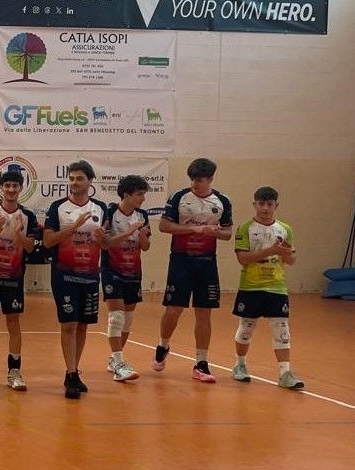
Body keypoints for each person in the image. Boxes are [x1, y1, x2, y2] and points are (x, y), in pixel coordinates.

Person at [155, 158, 233, 382]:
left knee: (204, 312)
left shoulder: (223, 201)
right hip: (181, 260)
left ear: (210, 179)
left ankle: (201, 362)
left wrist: (214, 232)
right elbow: (164, 226)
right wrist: (194, 229)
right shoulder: (179, 197)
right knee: (174, 309)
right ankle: (163, 345)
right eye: (192, 180)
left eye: (199, 180)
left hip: (207, 262)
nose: (194, 184)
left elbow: (227, 233)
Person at [231, 187, 305, 390]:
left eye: (269, 204)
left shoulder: (285, 229)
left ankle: (285, 373)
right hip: (251, 286)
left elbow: (291, 260)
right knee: (246, 328)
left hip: (277, 287)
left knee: (282, 330)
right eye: (261, 204)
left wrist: (285, 252)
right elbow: (243, 258)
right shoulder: (245, 228)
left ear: (276, 205)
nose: (265, 208)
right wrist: (271, 250)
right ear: (254, 205)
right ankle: (240, 365)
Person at [43, 160, 106, 399]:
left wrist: (102, 238)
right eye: (71, 178)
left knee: (82, 325)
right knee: (68, 324)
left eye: (79, 178)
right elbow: (48, 241)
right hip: (65, 273)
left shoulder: (101, 208)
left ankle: (75, 370)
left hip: (90, 275)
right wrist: (74, 227)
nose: (74, 182)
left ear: (90, 181)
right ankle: (70, 374)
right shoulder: (57, 207)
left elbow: (105, 244)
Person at [0, 170, 38, 391]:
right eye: (7, 185)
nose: (11, 189)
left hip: (14, 278)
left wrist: (19, 233)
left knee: (13, 323)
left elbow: (30, 247)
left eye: (15, 186)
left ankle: (14, 370)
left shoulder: (28, 215)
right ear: (1, 187)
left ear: (21, 188)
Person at [102, 175, 151, 383]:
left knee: (128, 320)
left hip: (134, 271)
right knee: (116, 317)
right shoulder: (109, 212)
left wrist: (142, 237)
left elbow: (146, 247)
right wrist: (129, 232)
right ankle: (120, 363)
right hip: (112, 270)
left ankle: (114, 360)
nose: (143, 199)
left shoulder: (142, 215)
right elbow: (105, 243)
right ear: (126, 194)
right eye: (139, 194)